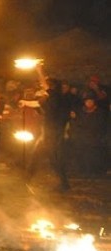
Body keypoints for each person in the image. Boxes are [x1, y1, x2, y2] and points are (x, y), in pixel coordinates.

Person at [20, 62, 72, 192]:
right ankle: (27, 178)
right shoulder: (50, 99)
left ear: (51, 87)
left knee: (54, 159)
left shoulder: (56, 97)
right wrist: (25, 102)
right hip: (47, 133)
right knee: (36, 155)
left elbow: (44, 85)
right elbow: (37, 103)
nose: (43, 88)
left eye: (46, 87)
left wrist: (39, 70)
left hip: (53, 134)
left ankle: (64, 184)